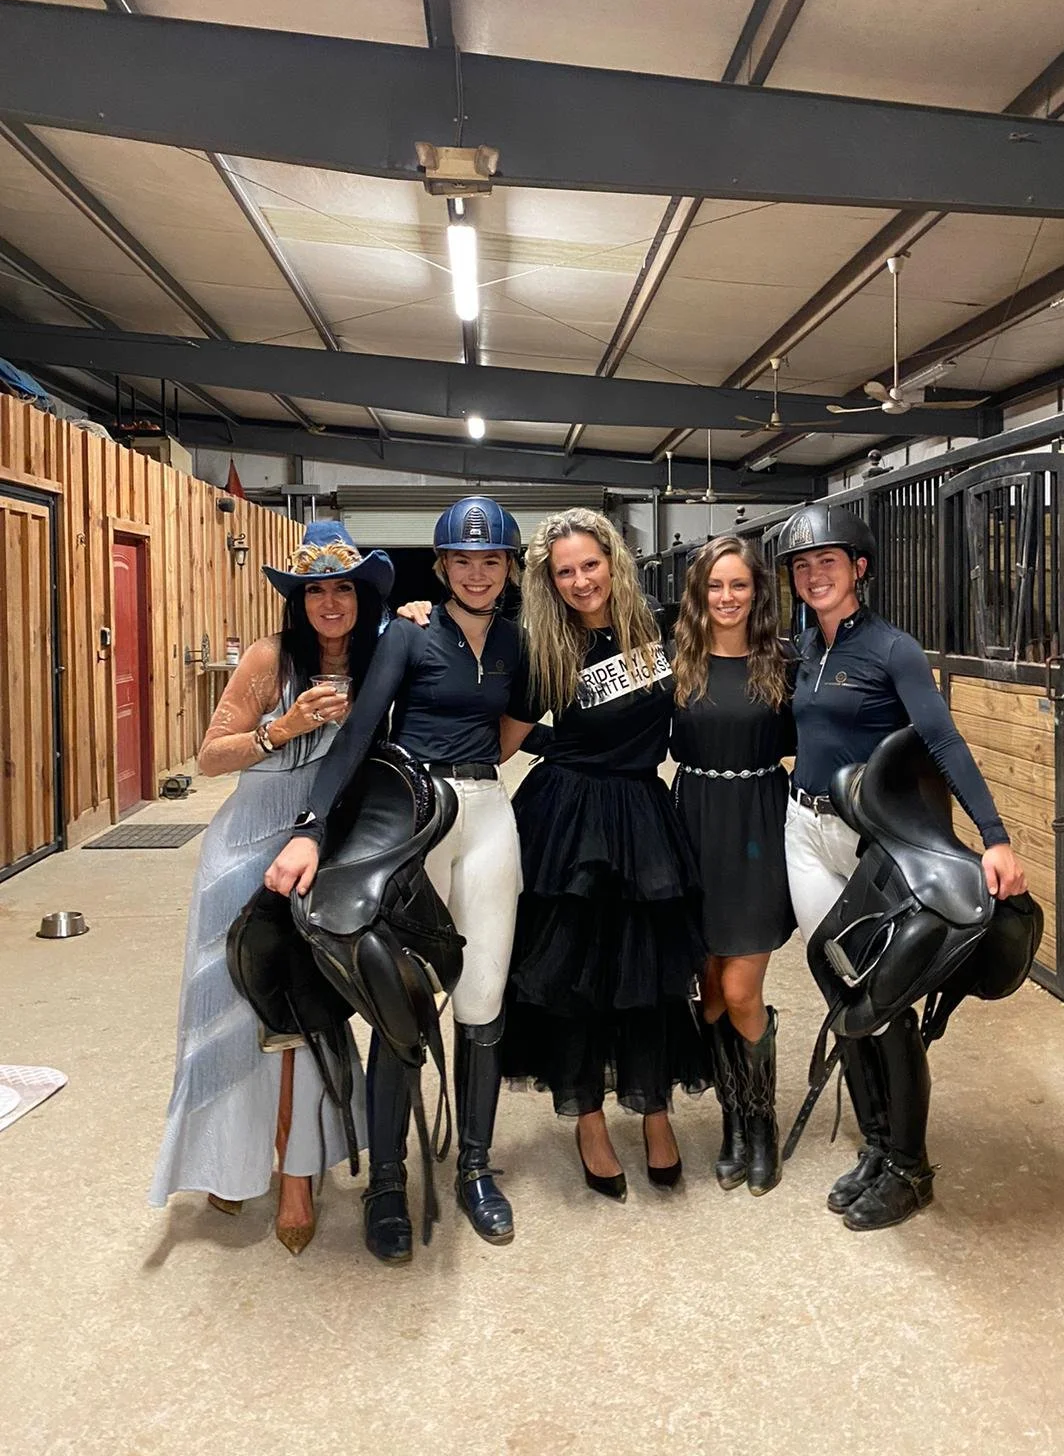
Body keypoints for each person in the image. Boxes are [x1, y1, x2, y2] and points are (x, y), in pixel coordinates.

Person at [264, 497, 524, 1264]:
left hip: (486, 812)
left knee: (483, 996)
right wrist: (312, 828)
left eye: (492, 561)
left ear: (507, 568)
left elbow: (516, 728)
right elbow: (355, 735)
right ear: (442, 568)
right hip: (412, 817)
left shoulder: (518, 640)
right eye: (463, 562)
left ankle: (475, 1167)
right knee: (395, 1001)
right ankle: (387, 1182)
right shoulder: (407, 637)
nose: (477, 574)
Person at [777, 502, 1026, 1230]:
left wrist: (995, 834)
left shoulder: (893, 650)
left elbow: (943, 743)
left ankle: (911, 1168)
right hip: (802, 830)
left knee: (885, 1007)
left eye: (828, 561)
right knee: (841, 996)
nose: (814, 575)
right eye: (802, 565)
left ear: (859, 568)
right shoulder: (805, 649)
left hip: (871, 844)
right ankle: (878, 1146)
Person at [150, 521, 393, 1254]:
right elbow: (210, 757)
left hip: (328, 847)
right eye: (315, 590)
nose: (329, 603)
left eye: (342, 588)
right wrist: (280, 727)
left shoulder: (383, 658)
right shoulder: (269, 659)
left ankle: (297, 1169)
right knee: (228, 1003)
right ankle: (228, 1157)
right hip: (246, 843)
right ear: (299, 599)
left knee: (307, 1005)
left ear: (361, 596)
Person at [498, 507, 707, 1199]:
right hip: (571, 821)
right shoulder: (544, 646)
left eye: (590, 564)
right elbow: (503, 736)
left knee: (648, 977)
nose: (581, 580)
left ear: (614, 560)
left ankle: (653, 1113)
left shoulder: (661, 627)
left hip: (643, 813)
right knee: (575, 980)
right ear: (548, 581)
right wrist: (555, 746)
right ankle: (587, 1118)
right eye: (565, 572)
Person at [670, 535, 796, 1197]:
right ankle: (733, 1123)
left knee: (742, 989)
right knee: (711, 993)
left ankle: (762, 1122)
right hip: (692, 828)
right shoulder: (677, 664)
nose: (726, 597)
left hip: (758, 829)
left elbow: (824, 737)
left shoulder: (782, 663)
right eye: (715, 586)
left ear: (756, 592)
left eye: (738, 585)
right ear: (700, 594)